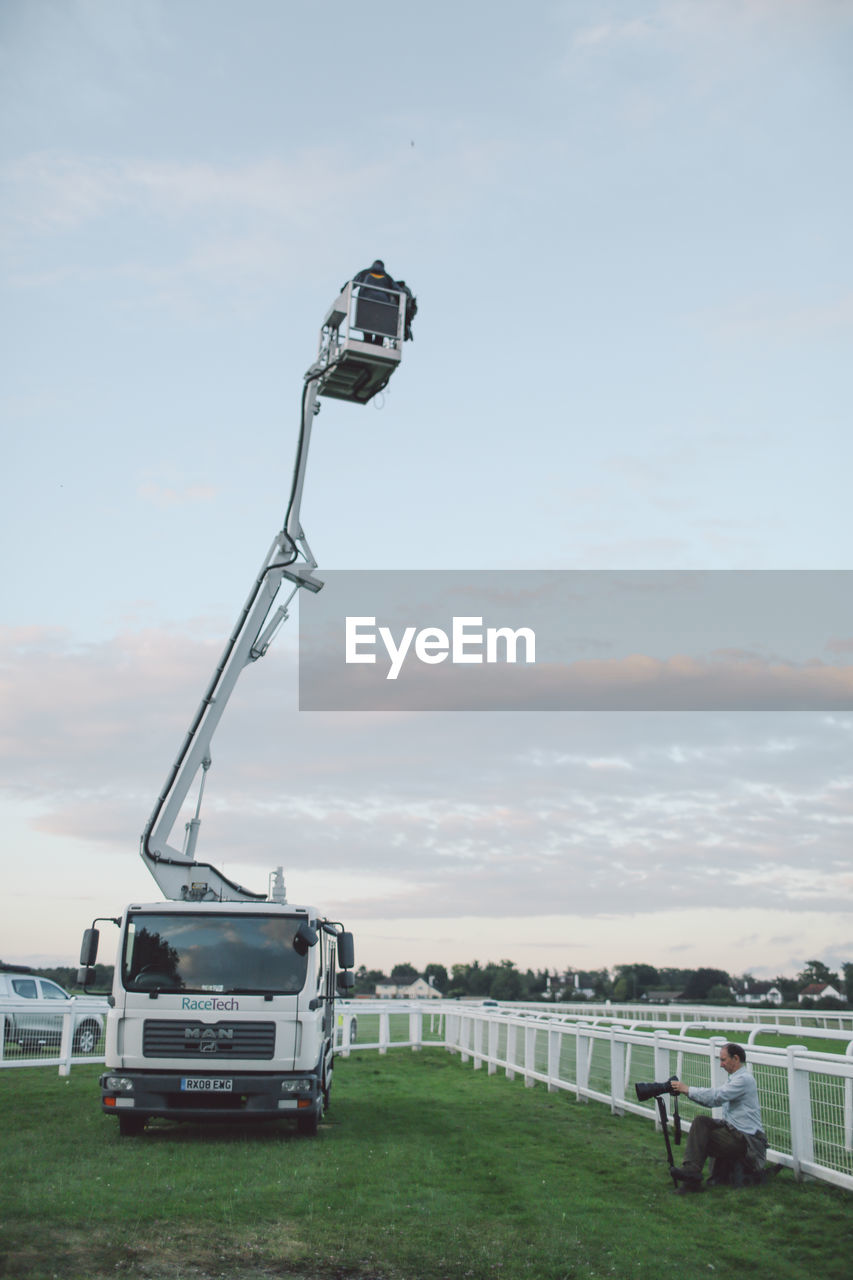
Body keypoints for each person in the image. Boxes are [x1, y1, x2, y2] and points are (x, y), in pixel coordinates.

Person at [670, 1042, 767, 1190]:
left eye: (723, 1060)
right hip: (734, 1130)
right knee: (700, 1122)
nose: (721, 1065)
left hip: (746, 1141)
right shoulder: (735, 1078)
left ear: (735, 1059)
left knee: (701, 1138)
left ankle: (691, 1178)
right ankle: (692, 1173)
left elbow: (716, 1097)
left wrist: (687, 1090)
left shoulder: (744, 1080)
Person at [351, 259, 400, 345]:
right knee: (381, 330)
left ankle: (367, 341)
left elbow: (353, 283)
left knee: (367, 328)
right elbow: (398, 291)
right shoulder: (387, 277)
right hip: (382, 307)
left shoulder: (365, 273)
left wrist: (344, 290)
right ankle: (378, 343)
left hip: (366, 305)